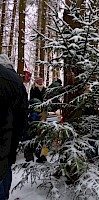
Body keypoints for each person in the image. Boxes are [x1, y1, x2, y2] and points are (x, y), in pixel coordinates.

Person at [0, 54, 28, 199]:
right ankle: (5, 195)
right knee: (6, 164)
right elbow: (23, 111)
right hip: (10, 133)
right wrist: (21, 132)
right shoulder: (17, 81)